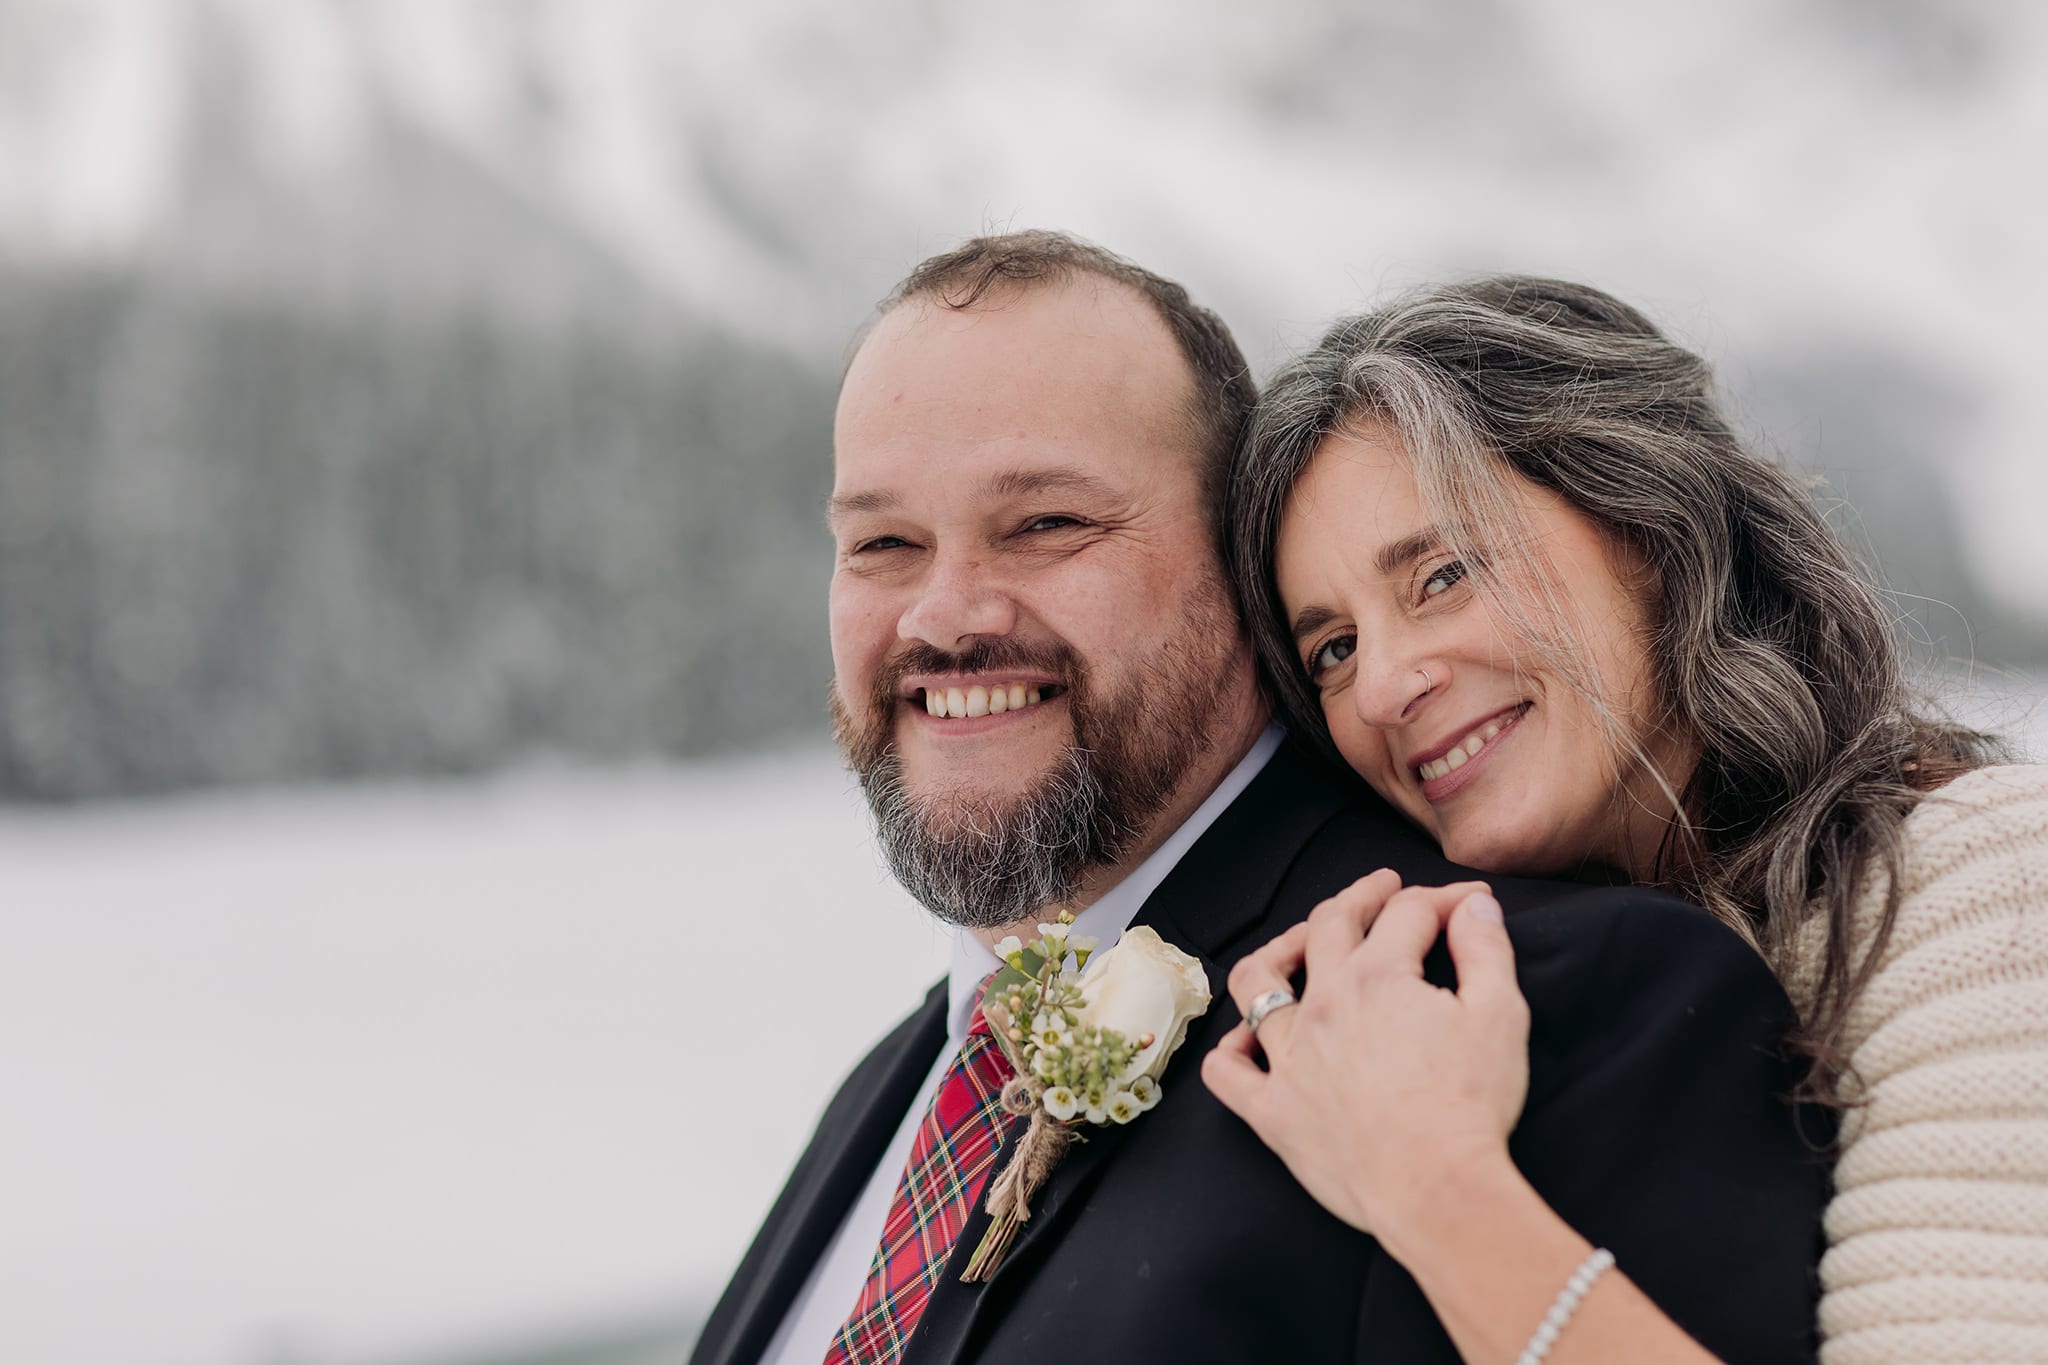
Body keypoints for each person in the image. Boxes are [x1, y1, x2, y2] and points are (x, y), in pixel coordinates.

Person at [688, 233, 1830, 1365]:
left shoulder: (1525, 996)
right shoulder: (890, 1092)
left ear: (1241, 574)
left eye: (1045, 523)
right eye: (881, 541)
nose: (941, 615)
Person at [1208, 274, 2047, 1364]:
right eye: (1332, 649)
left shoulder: (1980, 881)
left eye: (1441, 574)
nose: (1380, 690)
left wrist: (1429, 1185)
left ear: (1646, 525)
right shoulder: (1498, 987)